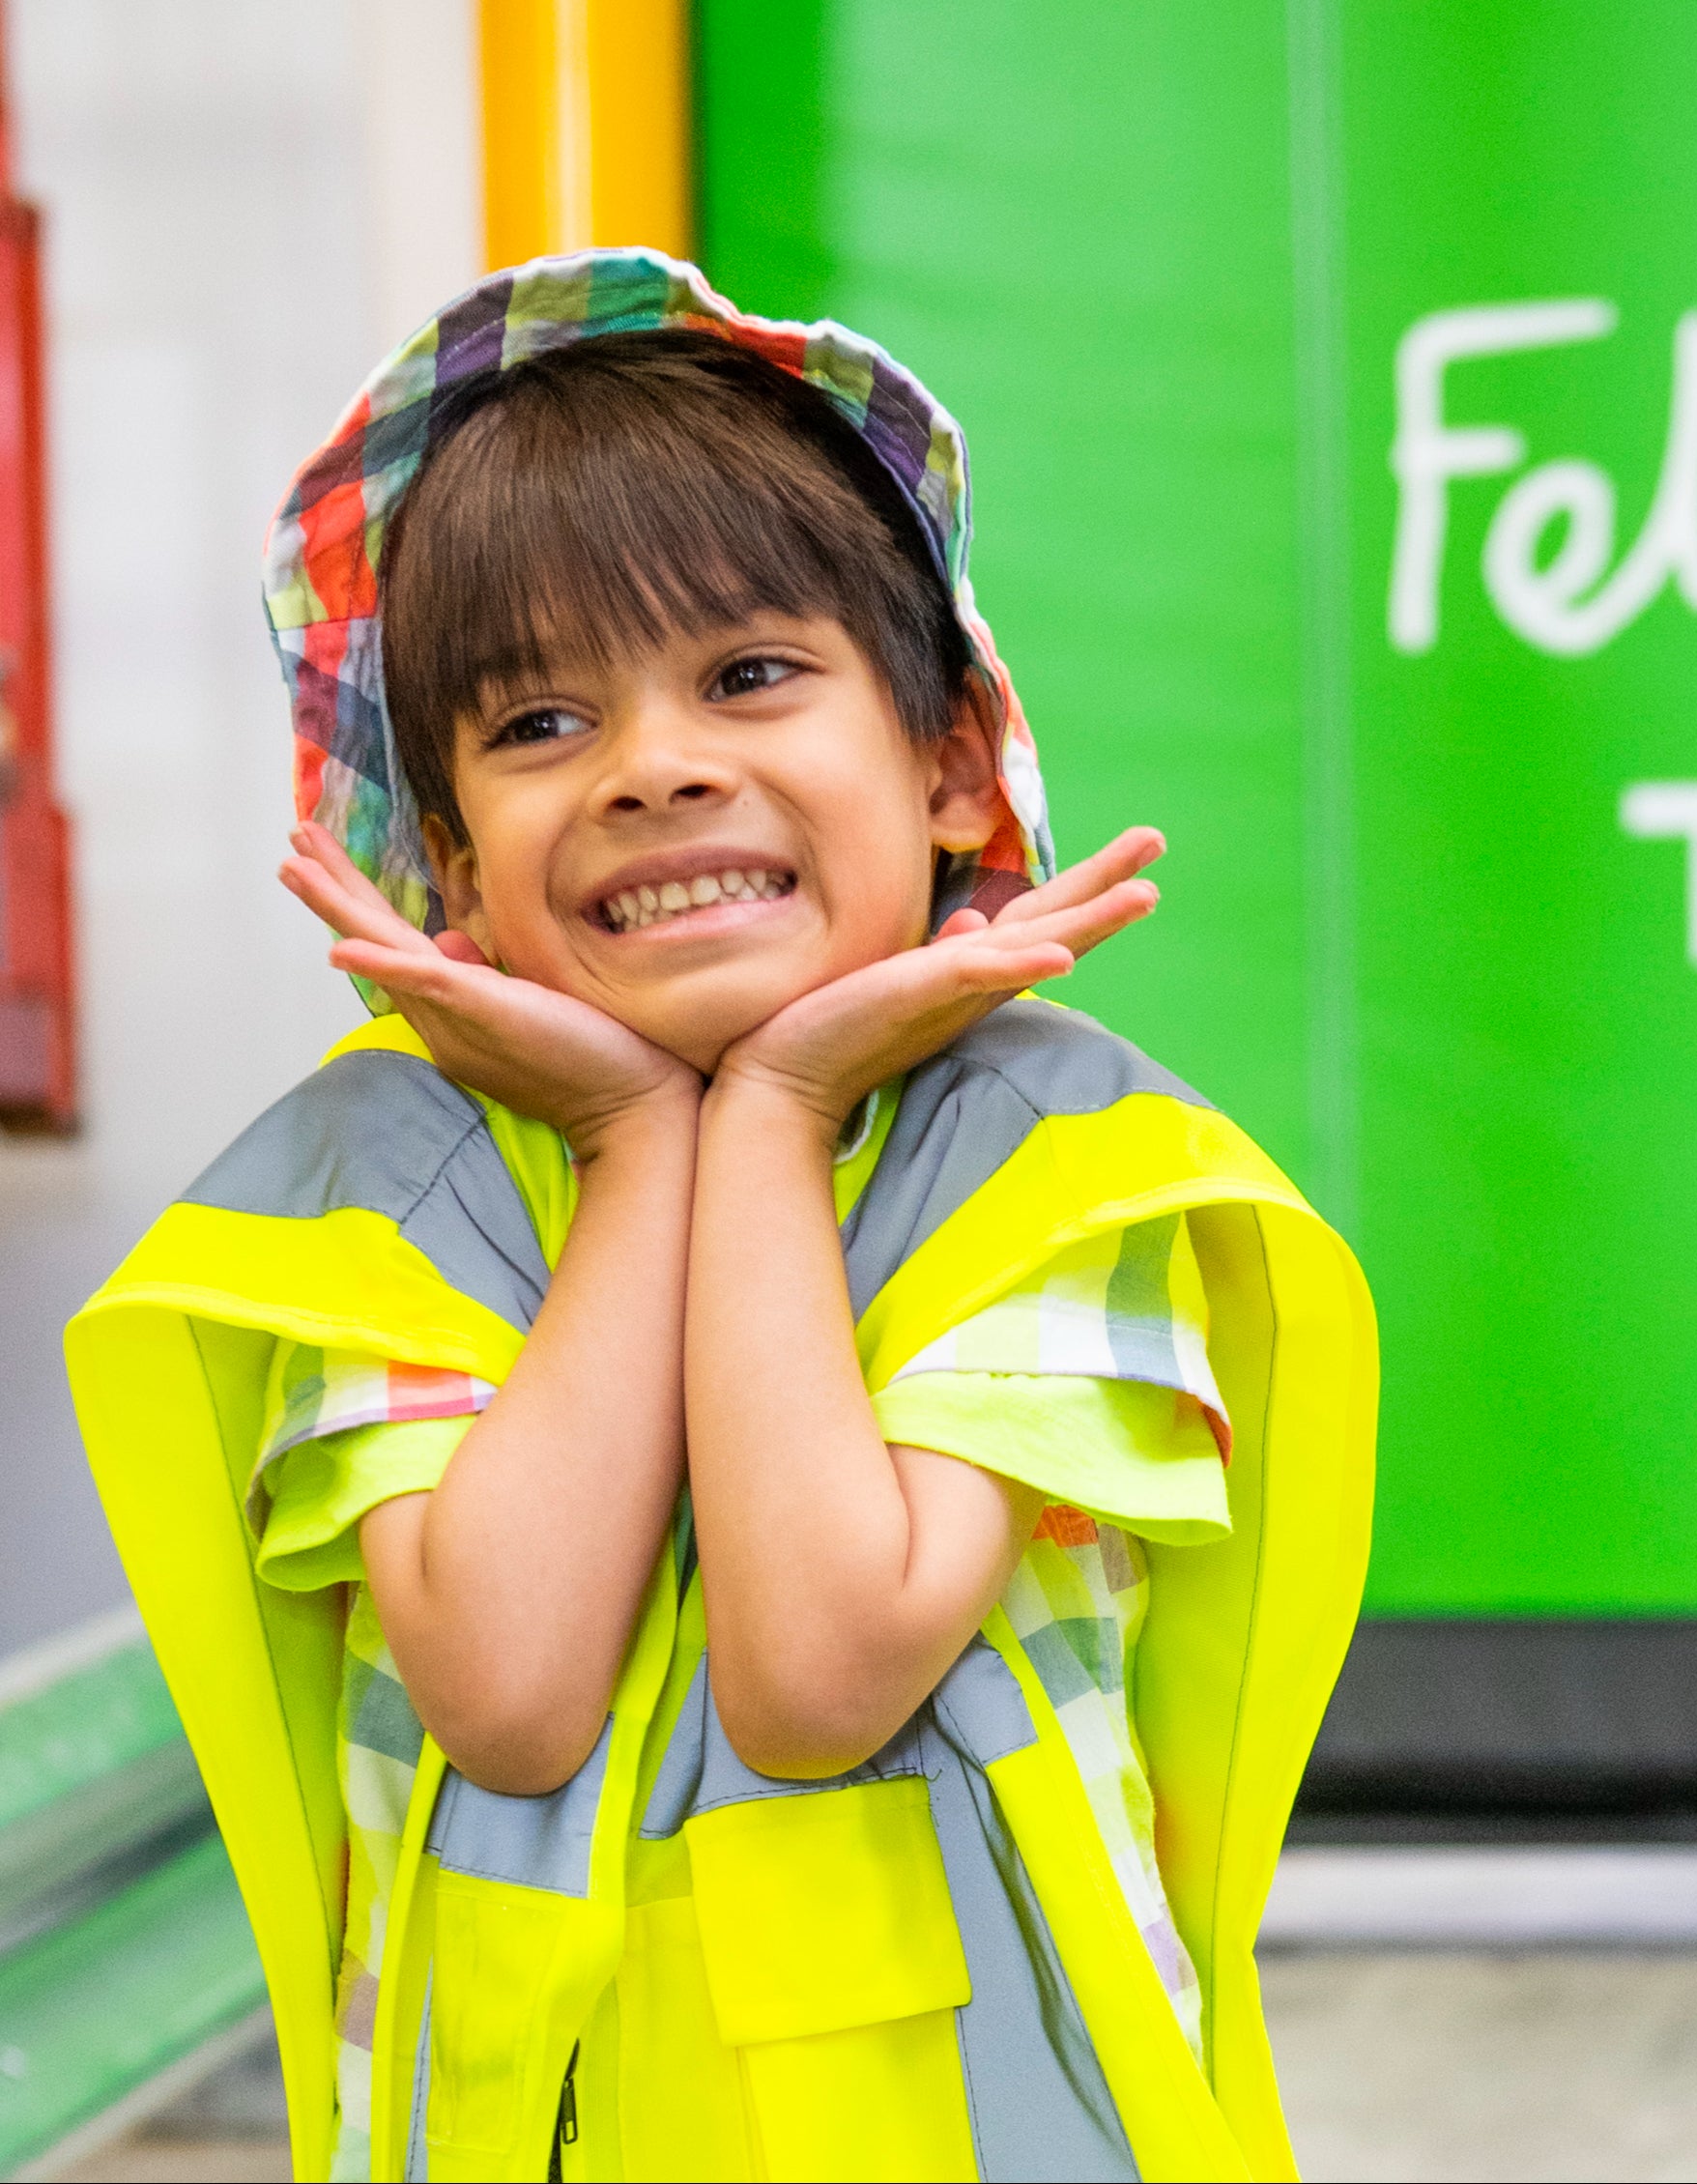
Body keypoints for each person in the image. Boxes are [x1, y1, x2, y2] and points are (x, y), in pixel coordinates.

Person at [66, 250, 1375, 2183]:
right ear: (443, 864)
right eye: (534, 727)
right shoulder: (373, 1183)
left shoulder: (1053, 1156)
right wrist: (631, 1144)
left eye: (748, 674)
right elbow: (505, 1695)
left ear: (945, 762)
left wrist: (761, 1117)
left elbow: (819, 1665)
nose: (653, 766)